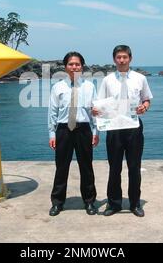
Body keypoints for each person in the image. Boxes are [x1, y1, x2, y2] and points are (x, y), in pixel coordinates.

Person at [94, 45, 153, 217]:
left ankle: (135, 204)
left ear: (130, 58)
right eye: (118, 57)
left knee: (134, 167)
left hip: (133, 127)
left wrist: (144, 107)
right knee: (114, 168)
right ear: (114, 59)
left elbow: (147, 99)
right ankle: (114, 204)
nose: (121, 60)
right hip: (114, 128)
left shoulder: (140, 78)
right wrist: (96, 111)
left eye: (124, 57)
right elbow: (100, 103)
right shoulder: (107, 80)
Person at [48, 51, 99, 216]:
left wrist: (95, 131)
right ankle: (57, 202)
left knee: (87, 167)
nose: (74, 67)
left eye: (77, 64)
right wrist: (51, 133)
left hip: (84, 129)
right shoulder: (58, 87)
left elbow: (94, 112)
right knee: (61, 167)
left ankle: (90, 202)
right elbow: (52, 112)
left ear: (82, 67)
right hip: (63, 130)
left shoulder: (90, 87)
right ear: (65, 67)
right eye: (71, 64)